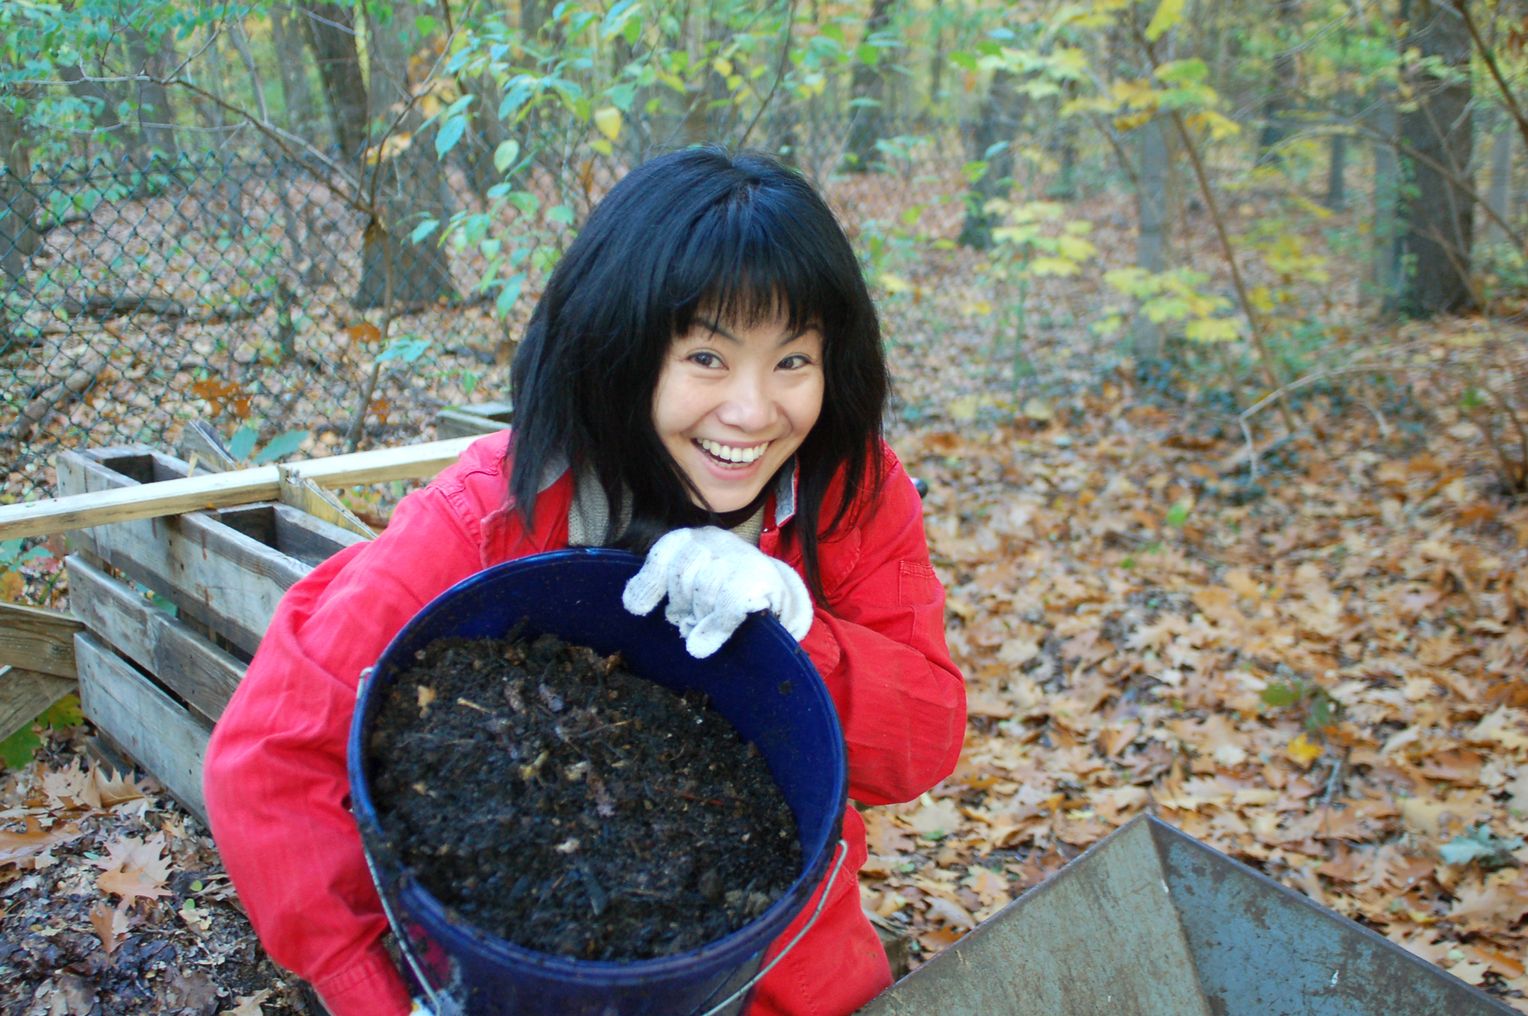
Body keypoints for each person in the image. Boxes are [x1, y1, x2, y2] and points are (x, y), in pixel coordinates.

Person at [202, 146, 966, 1016]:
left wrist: (793, 633)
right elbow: (267, 761)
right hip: (537, 977)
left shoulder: (845, 491)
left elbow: (923, 744)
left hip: (790, 960)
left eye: (793, 361)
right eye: (706, 359)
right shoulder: (495, 510)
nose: (754, 412)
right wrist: (383, 993)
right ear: (619, 346)